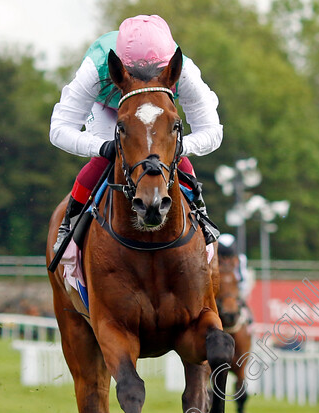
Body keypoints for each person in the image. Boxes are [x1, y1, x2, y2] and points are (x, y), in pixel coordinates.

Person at [50, 15, 223, 251]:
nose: (143, 82)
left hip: (155, 114)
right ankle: (69, 225)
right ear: (121, 66)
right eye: (135, 74)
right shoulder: (95, 66)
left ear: (168, 66)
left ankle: (200, 214)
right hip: (106, 108)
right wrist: (103, 147)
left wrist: (179, 147)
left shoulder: (185, 71)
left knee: (169, 150)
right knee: (107, 158)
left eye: (155, 72)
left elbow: (212, 131)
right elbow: (59, 130)